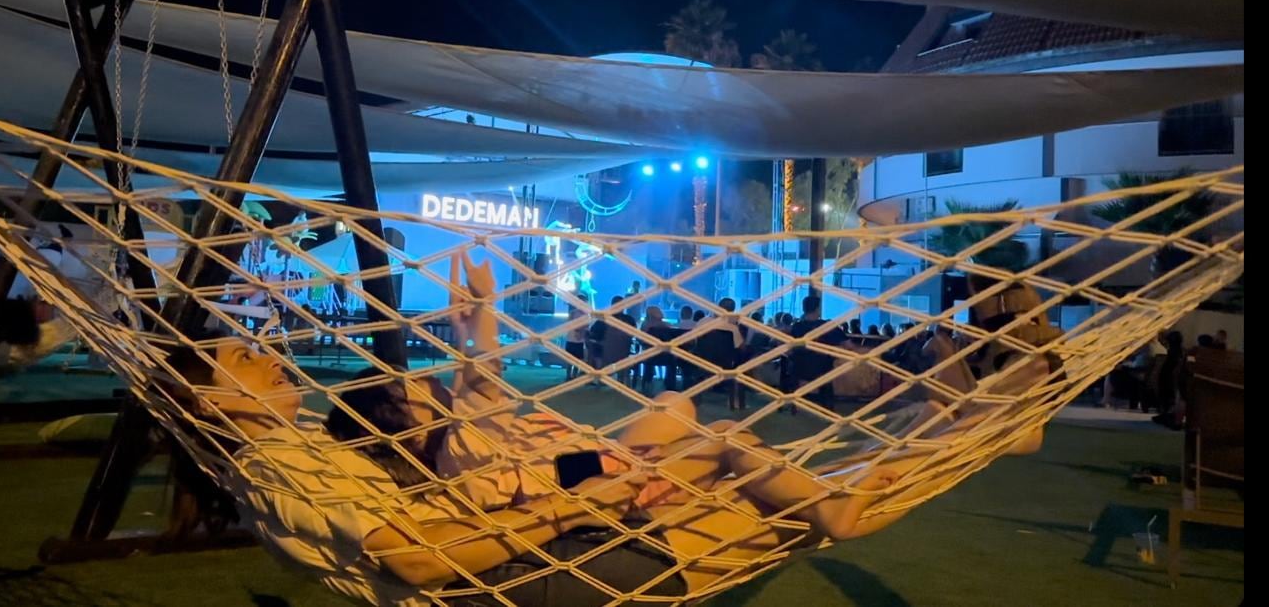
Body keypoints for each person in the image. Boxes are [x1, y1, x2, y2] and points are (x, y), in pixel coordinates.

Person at [211, 253, 1058, 606]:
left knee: (706, 431)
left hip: (603, 496)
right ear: (406, 427)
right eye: (421, 394)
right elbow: (477, 413)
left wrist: (482, 328)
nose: (266, 357)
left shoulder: (438, 438)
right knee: (762, 473)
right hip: (599, 517)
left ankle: (961, 426)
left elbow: (482, 394)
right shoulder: (442, 448)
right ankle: (960, 430)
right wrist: (483, 339)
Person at [786, 295, 852, 413]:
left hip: (800, 368)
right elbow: (849, 345)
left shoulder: (796, 327)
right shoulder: (827, 327)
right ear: (817, 309)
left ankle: (795, 405)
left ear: (804, 309)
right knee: (826, 378)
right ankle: (827, 407)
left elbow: (788, 349)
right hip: (822, 368)